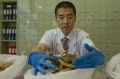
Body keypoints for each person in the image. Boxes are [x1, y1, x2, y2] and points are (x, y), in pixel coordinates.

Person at [28, 1, 105, 75]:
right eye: (61, 17)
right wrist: (34, 56)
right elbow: (40, 47)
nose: (65, 21)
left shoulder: (82, 35)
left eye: (70, 17)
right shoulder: (50, 34)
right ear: (56, 19)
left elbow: (91, 46)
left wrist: (98, 56)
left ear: (75, 18)